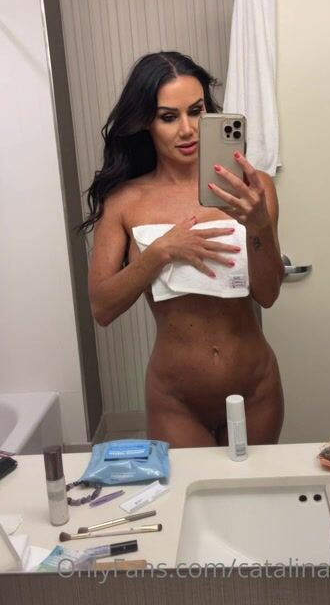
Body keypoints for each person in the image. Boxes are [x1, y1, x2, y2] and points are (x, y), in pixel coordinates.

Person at [80, 51, 285, 447]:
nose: (188, 130)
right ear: (146, 122)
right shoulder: (124, 202)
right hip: (176, 401)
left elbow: (269, 293)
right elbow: (102, 308)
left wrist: (259, 225)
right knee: (195, 489)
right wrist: (162, 251)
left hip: (256, 390)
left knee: (254, 489)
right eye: (168, 117)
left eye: (196, 110)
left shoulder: (252, 188)